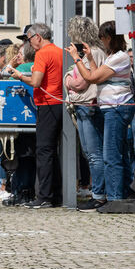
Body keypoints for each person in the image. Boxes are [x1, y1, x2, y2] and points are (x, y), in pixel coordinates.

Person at [68, 21, 135, 208]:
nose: (101, 41)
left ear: (110, 38)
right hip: (111, 108)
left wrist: (76, 58)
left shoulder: (120, 57)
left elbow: (91, 78)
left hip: (116, 107)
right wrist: (90, 58)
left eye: (103, 38)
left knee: (111, 156)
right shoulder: (112, 56)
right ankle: (122, 193)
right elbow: (96, 73)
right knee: (118, 153)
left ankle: (114, 199)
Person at [10, 23, 63, 208]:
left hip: (48, 103)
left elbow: (36, 81)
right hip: (58, 103)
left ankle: (45, 196)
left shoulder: (42, 53)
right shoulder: (59, 51)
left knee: (44, 150)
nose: (28, 43)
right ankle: (55, 195)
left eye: (29, 39)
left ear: (38, 37)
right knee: (52, 151)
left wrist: (19, 76)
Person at [59, 18, 104, 210]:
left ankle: (99, 195)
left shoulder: (92, 53)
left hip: (88, 104)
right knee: (90, 153)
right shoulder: (94, 52)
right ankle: (98, 193)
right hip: (85, 104)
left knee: (93, 153)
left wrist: (68, 78)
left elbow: (79, 82)